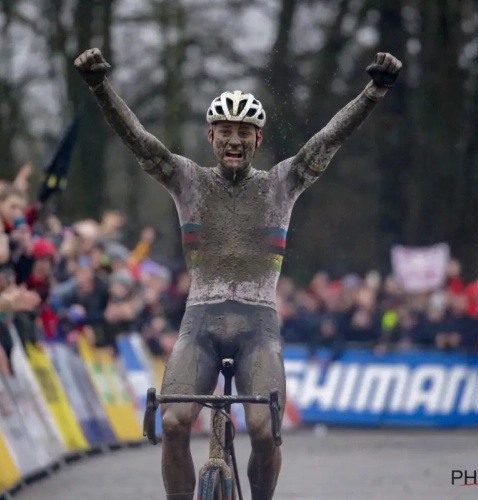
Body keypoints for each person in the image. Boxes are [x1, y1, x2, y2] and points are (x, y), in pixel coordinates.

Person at [75, 47, 402, 500]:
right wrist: (99, 86)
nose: (234, 140)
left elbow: (328, 139)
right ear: (210, 137)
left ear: (258, 140)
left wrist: (374, 92)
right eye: (225, 131)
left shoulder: (281, 183)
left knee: (265, 430)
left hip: (258, 327)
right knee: (172, 423)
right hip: (200, 324)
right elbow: (138, 139)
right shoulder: (187, 179)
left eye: (244, 132)